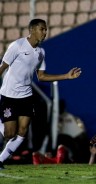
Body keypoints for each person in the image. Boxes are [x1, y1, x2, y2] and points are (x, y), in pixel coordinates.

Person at [0, 19, 82, 170]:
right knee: (9, 134)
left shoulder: (41, 53)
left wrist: (66, 76)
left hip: (26, 96)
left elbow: (42, 76)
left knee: (23, 131)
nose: (45, 32)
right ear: (31, 30)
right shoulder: (17, 46)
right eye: (42, 29)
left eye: (46, 30)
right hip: (9, 95)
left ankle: (0, 160)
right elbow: (2, 68)